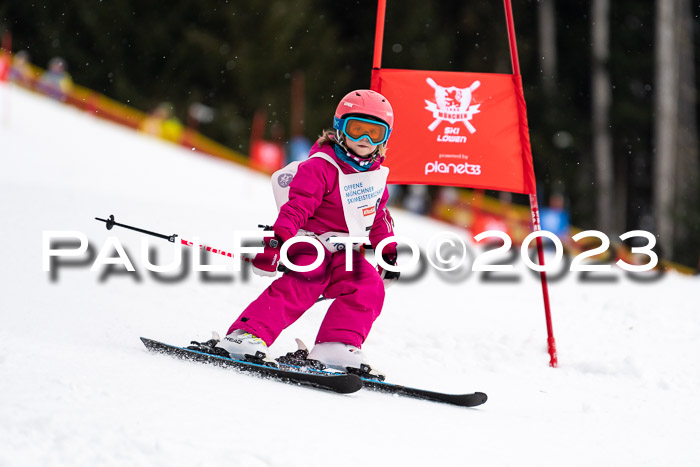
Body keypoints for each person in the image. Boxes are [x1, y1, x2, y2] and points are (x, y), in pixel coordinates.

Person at [219, 89, 399, 378]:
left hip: (345, 251)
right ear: (340, 127)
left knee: (368, 286)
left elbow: (377, 217)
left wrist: (387, 251)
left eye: (374, 133)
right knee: (305, 281)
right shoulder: (321, 167)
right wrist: (275, 243)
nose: (364, 141)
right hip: (310, 242)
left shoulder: (375, 176)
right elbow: (296, 208)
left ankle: (337, 344)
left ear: (385, 138)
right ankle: (245, 335)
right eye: (357, 130)